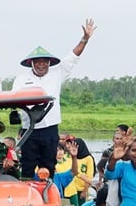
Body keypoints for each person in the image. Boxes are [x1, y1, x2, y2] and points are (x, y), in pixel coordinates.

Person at [11, 19, 96, 178]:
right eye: (38, 62)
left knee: (49, 165)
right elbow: (14, 98)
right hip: (29, 129)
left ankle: (47, 189)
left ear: (49, 63)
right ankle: (28, 191)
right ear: (32, 63)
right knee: (28, 165)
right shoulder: (21, 79)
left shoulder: (57, 73)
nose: (41, 65)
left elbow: (73, 56)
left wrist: (85, 38)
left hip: (49, 128)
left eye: (45, 62)